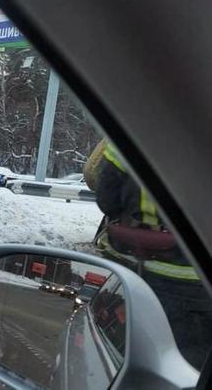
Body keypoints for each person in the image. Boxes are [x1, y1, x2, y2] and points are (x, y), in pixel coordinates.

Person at [91, 141, 212, 369]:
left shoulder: (131, 132)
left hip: (149, 277)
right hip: (202, 289)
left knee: (149, 363)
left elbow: (106, 198)